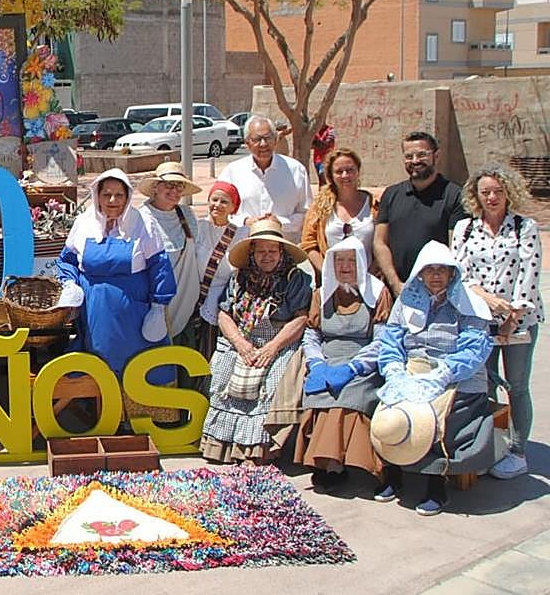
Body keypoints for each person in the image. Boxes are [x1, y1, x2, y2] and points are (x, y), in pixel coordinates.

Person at [372, 241, 497, 516]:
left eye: (443, 270)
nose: (436, 275)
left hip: (454, 372)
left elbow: (474, 349)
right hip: (412, 368)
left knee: (438, 416)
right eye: (430, 270)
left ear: (453, 273)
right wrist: (394, 371)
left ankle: (435, 484)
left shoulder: (468, 302)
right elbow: (391, 341)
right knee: (391, 409)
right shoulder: (407, 301)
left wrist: (443, 374)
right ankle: (394, 475)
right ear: (420, 273)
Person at [452, 165, 543, 480]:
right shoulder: (466, 229)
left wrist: (511, 318)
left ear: (509, 193)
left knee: (517, 387)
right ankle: (489, 444)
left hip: (519, 321)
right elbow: (460, 275)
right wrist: (486, 300)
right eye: (485, 191)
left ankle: (517, 451)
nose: (492, 197)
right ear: (476, 195)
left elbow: (529, 277)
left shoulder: (524, 228)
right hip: (480, 321)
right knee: (485, 384)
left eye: (498, 191)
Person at [200, 217, 313, 465]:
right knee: (221, 372)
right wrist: (240, 344)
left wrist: (272, 348)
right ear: (252, 253)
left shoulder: (295, 279)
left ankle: (259, 450)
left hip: (280, 341)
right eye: (261, 251)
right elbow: (224, 314)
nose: (267, 256)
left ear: (281, 251)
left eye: (272, 251)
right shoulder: (239, 277)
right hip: (243, 339)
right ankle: (223, 447)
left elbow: (301, 317)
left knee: (274, 381)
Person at [57, 168, 175, 382]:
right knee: (99, 367)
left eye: (119, 195)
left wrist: (158, 307)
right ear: (97, 196)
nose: (112, 200)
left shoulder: (143, 224)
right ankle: (101, 411)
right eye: (107, 194)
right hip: (95, 312)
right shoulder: (84, 223)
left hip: (134, 315)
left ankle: (138, 410)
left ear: (127, 197)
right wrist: (69, 284)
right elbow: (67, 261)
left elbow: (160, 266)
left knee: (136, 368)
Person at [295, 238, 392, 492]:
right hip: (327, 357)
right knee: (321, 392)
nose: (345, 266)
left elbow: (382, 340)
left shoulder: (377, 292)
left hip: (363, 361)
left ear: (360, 262)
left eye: (351, 260)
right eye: (340, 261)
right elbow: (312, 334)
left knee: (349, 394)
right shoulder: (322, 294)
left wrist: (356, 367)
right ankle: (327, 463)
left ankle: (352, 463)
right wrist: (316, 362)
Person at [374, 131, 467, 299]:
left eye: (422, 155)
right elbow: (380, 242)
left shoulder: (454, 195)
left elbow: (456, 247)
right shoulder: (391, 194)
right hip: (396, 291)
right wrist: (395, 284)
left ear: (436, 156)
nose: (415, 161)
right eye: (409, 156)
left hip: (437, 295)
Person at [217, 115, 312, 242]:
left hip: (285, 249)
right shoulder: (232, 171)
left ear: (276, 139)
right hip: (243, 248)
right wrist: (245, 221)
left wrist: (280, 222)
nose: (263, 144)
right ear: (247, 143)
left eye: (268, 138)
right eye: (257, 139)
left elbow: (307, 214)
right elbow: (219, 211)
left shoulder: (296, 170)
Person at [137, 161, 201, 342]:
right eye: (169, 185)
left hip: (185, 303)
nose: (174, 191)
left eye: (179, 186)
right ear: (156, 187)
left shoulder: (186, 214)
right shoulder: (141, 217)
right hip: (154, 304)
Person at [193, 181, 248, 360]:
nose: (217, 205)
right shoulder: (197, 227)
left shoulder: (240, 234)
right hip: (194, 298)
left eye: (224, 201)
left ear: (233, 207)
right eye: (214, 199)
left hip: (221, 302)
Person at [300, 148, 377, 276]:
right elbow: (309, 244)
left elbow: (383, 243)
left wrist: (368, 276)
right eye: (339, 172)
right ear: (331, 175)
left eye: (350, 170)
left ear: (358, 171)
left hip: (368, 280)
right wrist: (329, 275)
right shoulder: (320, 207)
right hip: (331, 285)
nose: (345, 175)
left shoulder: (374, 206)